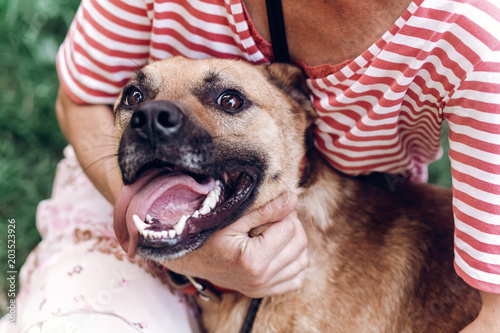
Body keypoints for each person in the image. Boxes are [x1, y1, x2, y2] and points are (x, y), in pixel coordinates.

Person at [3, 0, 499, 332]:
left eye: (230, 100)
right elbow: (79, 101)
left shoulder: (477, 33)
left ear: (300, 111)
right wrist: (193, 258)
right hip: (119, 185)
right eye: (138, 97)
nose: (153, 114)